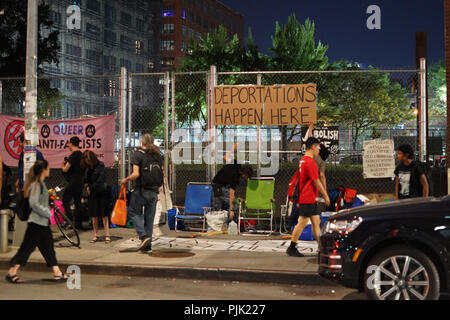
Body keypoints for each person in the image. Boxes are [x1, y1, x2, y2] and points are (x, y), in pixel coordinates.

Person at [6, 160, 68, 283]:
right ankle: (12, 272)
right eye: (48, 168)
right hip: (36, 222)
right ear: (43, 170)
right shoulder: (36, 184)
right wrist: (47, 212)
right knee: (27, 248)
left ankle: (57, 273)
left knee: (48, 248)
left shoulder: (40, 183)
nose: (49, 170)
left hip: (42, 222)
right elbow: (34, 203)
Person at [286, 137, 330, 257]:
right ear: (313, 147)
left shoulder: (303, 160)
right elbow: (316, 181)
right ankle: (292, 247)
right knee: (303, 222)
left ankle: (321, 248)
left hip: (308, 196)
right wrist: (326, 195)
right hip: (308, 197)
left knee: (316, 222)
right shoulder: (310, 162)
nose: (319, 149)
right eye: (318, 147)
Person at [120, 134, 163, 253]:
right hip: (154, 190)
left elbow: (136, 174)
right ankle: (148, 245)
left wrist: (126, 180)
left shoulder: (137, 154)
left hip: (141, 190)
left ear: (142, 142)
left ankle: (143, 236)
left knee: (133, 211)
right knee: (149, 219)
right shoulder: (157, 155)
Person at [212, 142, 253, 223]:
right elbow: (231, 194)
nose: (245, 179)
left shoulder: (236, 164)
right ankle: (231, 222)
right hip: (219, 187)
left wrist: (232, 149)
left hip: (217, 184)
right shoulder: (235, 178)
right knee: (235, 204)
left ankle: (224, 223)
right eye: (246, 177)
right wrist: (232, 209)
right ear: (243, 174)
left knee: (225, 204)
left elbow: (225, 157)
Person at [82, 150, 111, 244]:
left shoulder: (100, 165)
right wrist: (87, 187)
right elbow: (85, 179)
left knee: (104, 214)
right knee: (94, 215)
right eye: (87, 161)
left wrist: (90, 187)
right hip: (92, 193)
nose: (88, 163)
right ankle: (96, 234)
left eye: (89, 161)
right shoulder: (87, 168)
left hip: (101, 192)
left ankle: (107, 234)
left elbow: (100, 180)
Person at [61, 136, 84, 229]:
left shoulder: (74, 155)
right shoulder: (81, 154)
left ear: (71, 143)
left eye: (68, 143)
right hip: (80, 182)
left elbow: (66, 169)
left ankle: (69, 220)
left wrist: (62, 165)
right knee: (77, 202)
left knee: (65, 200)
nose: (68, 145)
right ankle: (79, 222)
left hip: (73, 182)